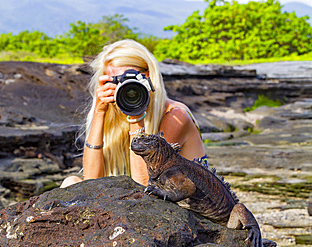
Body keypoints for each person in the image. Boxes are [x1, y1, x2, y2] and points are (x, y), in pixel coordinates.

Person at [60, 39, 206, 188]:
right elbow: (91, 181)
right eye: (118, 80)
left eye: (131, 78)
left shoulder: (175, 116)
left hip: (180, 204)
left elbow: (145, 185)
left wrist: (136, 117)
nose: (126, 86)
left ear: (148, 75)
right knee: (70, 183)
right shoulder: (112, 112)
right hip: (143, 201)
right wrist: (99, 112)